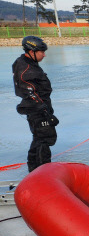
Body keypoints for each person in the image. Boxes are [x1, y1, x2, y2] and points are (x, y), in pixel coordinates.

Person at [12, 36, 59, 172]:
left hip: (39, 107)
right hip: (37, 109)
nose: (44, 55)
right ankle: (42, 171)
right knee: (44, 139)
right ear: (31, 51)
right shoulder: (25, 68)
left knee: (40, 138)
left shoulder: (27, 63)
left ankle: (34, 169)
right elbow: (30, 93)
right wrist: (45, 112)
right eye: (41, 52)